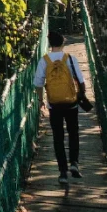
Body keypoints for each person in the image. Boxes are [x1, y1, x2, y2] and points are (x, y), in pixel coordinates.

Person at [33, 29, 88, 186]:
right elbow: (81, 80)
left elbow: (38, 83)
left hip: (54, 104)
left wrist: (40, 99)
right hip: (71, 103)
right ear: (63, 43)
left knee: (58, 137)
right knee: (73, 133)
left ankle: (63, 172)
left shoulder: (44, 60)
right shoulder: (69, 58)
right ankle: (74, 163)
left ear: (50, 44)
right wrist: (81, 94)